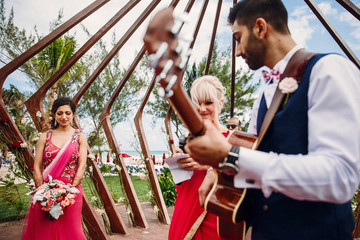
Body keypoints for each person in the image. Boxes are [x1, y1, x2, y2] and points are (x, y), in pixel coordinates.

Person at [185, 0, 360, 239]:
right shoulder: (266, 91)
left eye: (238, 38)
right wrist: (217, 172)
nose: (236, 51)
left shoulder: (329, 70)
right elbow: (253, 152)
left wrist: (231, 157)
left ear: (260, 28)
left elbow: (339, 177)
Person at [168, 75, 229, 240]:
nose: (202, 109)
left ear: (220, 103)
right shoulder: (189, 140)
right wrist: (178, 164)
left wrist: (210, 166)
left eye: (208, 103)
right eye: (197, 103)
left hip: (215, 217)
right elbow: (181, 188)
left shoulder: (232, 139)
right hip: (184, 212)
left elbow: (242, 182)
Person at [22, 97, 87, 240]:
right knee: (44, 230)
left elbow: (82, 166)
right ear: (54, 115)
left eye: (68, 113)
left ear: (74, 114)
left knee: (73, 231)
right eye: (60, 113)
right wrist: (43, 191)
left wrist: (67, 191)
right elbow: (37, 166)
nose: (64, 117)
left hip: (71, 193)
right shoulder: (45, 136)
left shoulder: (80, 137)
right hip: (46, 193)